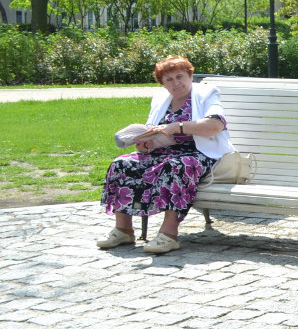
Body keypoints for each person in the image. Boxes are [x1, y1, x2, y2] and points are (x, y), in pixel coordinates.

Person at [98, 56, 235, 255]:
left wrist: (176, 127)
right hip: (164, 152)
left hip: (201, 153)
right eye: (169, 79)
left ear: (190, 76)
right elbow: (155, 131)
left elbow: (215, 125)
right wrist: (146, 145)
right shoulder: (161, 99)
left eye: (180, 76)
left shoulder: (206, 93)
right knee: (122, 163)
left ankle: (169, 235)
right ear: (162, 83)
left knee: (175, 166)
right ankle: (123, 230)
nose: (175, 83)